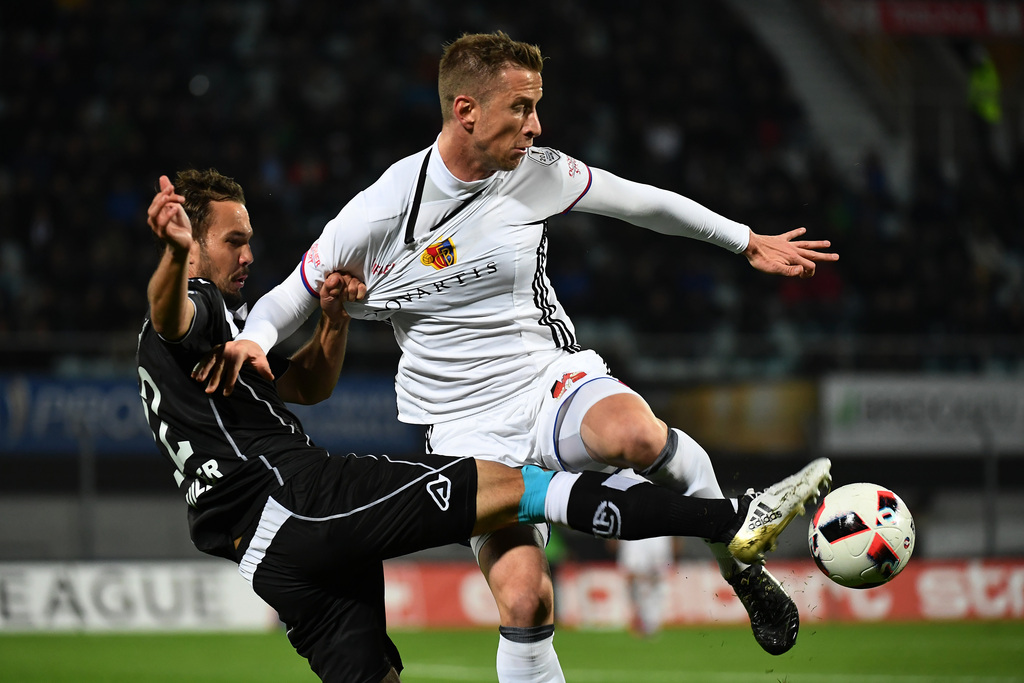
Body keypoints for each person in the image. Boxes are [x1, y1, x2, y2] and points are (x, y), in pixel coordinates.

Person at [197, 31, 840, 680]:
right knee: (527, 598)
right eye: (522, 108)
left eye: (537, 107)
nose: (536, 125)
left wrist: (744, 240)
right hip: (459, 425)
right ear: (466, 111)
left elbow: (642, 202)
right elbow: (297, 288)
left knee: (637, 435)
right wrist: (255, 339)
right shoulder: (386, 205)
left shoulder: (537, 174)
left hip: (546, 377)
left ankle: (741, 569)